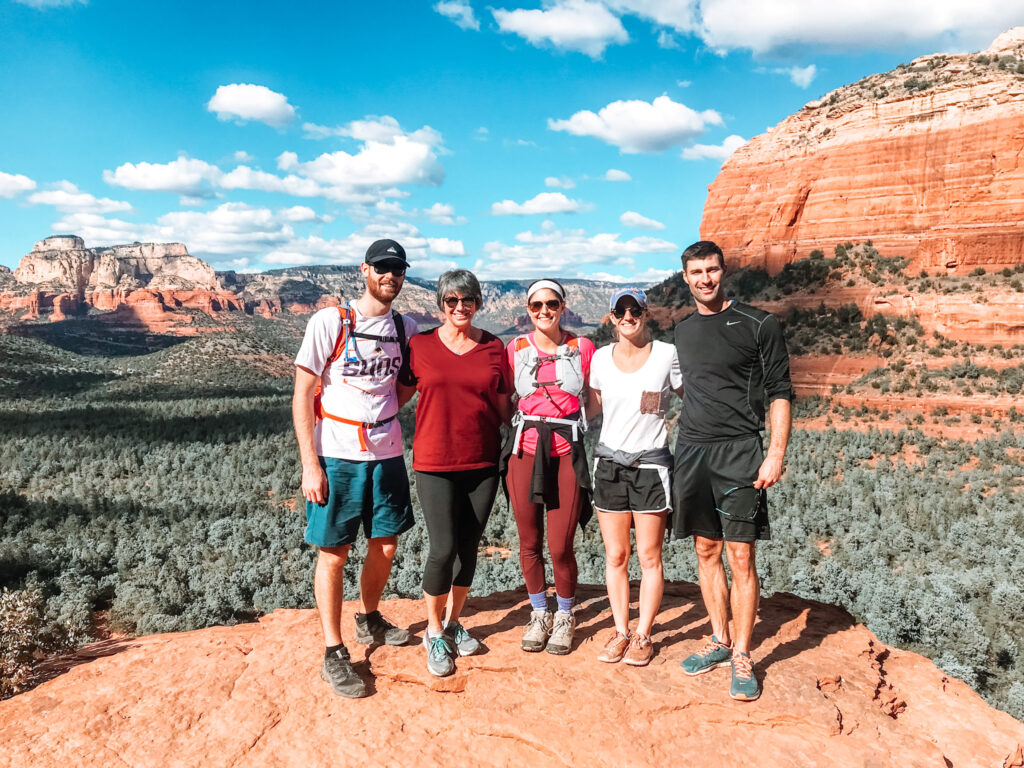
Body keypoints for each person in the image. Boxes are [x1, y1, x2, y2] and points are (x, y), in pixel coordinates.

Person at [292, 238, 419, 699]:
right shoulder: (331, 321)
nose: (390, 276)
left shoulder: (404, 327)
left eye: (398, 270)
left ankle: (369, 618)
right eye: (382, 268)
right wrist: (311, 463)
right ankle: (333, 649)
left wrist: (383, 415)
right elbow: (302, 394)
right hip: (337, 454)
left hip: (386, 452)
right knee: (334, 552)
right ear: (364, 271)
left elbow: (405, 385)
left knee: (385, 543)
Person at [672, 240, 793, 702]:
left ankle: (743, 653)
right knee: (706, 549)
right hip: (692, 450)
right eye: (696, 272)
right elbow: (693, 388)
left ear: (725, 272)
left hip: (741, 452)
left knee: (741, 556)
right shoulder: (682, 331)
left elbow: (781, 389)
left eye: (712, 270)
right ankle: (719, 638)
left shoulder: (758, 323)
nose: (705, 279)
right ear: (685, 277)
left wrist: (775, 453)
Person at [398, 269, 512, 677]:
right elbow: (397, 397)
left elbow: (503, 406)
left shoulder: (495, 347)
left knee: (469, 546)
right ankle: (433, 631)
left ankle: (453, 622)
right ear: (441, 305)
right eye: (451, 301)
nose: (460, 308)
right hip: (434, 463)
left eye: (468, 301)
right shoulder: (421, 345)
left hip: (483, 463)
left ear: (479, 303)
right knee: (442, 548)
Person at [500, 279, 595, 656]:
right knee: (528, 542)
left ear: (563, 306)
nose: (544, 311)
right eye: (536, 305)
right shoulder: (516, 348)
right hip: (524, 451)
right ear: (527, 309)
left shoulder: (582, 347)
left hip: (566, 450)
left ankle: (566, 615)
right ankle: (539, 614)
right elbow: (505, 397)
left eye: (551, 303)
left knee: (559, 545)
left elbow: (596, 399)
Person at [588, 287, 682, 667]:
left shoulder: (666, 354)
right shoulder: (599, 359)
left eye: (635, 309)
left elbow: (690, 393)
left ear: (646, 313)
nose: (628, 317)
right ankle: (620, 631)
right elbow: (590, 409)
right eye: (620, 311)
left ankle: (643, 635)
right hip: (609, 464)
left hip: (650, 466)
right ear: (611, 317)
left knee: (648, 555)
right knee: (615, 555)